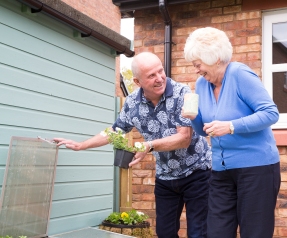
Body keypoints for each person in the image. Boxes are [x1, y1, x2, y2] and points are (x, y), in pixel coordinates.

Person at [54, 52, 211, 238]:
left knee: (198, 233)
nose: (160, 78)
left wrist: (149, 145)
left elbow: (183, 138)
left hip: (198, 173)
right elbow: (115, 131)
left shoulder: (181, 93)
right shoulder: (133, 103)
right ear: (137, 82)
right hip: (166, 178)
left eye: (160, 71)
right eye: (151, 75)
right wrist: (81, 145)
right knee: (165, 233)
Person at [182, 27, 281, 238]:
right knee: (217, 232)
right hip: (221, 171)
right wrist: (194, 118)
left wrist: (231, 126)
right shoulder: (202, 84)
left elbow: (270, 113)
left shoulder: (239, 74)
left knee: (255, 233)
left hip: (256, 168)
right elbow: (204, 131)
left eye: (198, 64)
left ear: (215, 58)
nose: (197, 70)